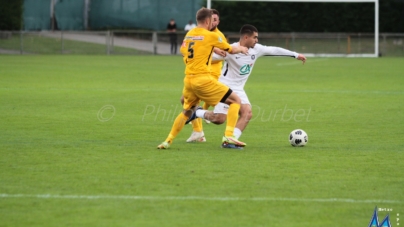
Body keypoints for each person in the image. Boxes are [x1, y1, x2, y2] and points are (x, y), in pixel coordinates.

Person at [189, 24, 307, 143]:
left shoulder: (257, 49)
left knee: (247, 113)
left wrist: (296, 55)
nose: (257, 40)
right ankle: (196, 112)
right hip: (225, 87)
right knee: (219, 119)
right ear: (246, 37)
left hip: (239, 88)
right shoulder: (231, 49)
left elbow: (274, 49)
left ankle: (230, 140)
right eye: (255, 37)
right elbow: (209, 57)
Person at [157, 7, 249, 149]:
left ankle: (167, 141)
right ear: (207, 21)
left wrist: (212, 49)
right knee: (235, 100)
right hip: (204, 79)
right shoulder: (211, 35)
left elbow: (183, 51)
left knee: (187, 110)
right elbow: (231, 49)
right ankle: (229, 136)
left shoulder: (189, 34)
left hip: (188, 80)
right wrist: (242, 49)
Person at [184, 9, 227, 143]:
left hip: (212, 74)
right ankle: (198, 131)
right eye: (211, 19)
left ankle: (201, 126)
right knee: (185, 100)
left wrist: (202, 58)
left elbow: (225, 55)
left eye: (215, 20)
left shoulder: (218, 36)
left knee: (189, 103)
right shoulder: (200, 35)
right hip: (199, 74)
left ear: (218, 22)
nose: (212, 22)